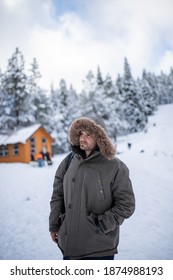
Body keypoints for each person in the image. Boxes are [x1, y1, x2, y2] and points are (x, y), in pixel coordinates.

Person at [49, 117, 135, 260]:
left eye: (88, 135)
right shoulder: (69, 161)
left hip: (99, 249)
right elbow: (58, 195)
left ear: (100, 138)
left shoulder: (115, 166)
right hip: (68, 246)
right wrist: (54, 225)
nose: (82, 138)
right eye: (81, 134)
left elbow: (127, 204)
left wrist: (101, 224)